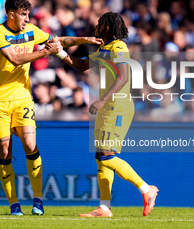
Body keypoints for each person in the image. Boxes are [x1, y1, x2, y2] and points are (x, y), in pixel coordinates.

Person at [0, 0, 102, 216]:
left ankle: (37, 200)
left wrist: (85, 39)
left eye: (28, 14)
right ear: (11, 14)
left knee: (30, 145)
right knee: (4, 149)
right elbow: (14, 59)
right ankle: (13, 204)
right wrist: (45, 51)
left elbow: (59, 42)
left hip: (22, 97)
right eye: (23, 14)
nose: (27, 18)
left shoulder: (31, 30)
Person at [58, 12, 159, 217]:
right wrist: (59, 52)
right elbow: (81, 65)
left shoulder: (119, 47)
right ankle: (104, 207)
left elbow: (123, 75)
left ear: (106, 27)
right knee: (100, 156)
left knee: (107, 156)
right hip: (107, 108)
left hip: (117, 106)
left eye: (99, 23)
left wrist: (103, 100)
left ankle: (147, 189)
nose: (96, 26)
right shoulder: (104, 49)